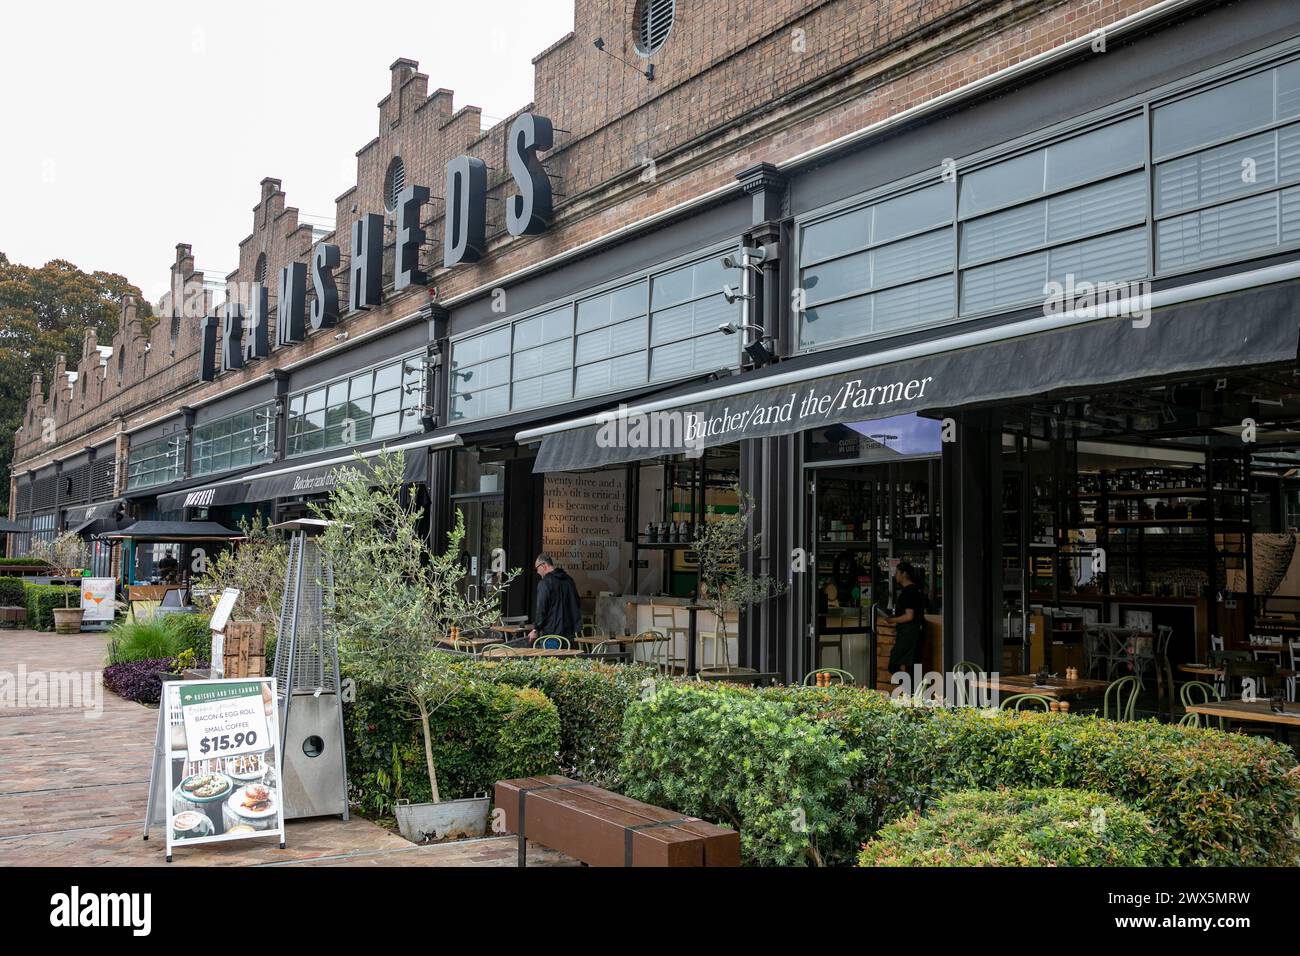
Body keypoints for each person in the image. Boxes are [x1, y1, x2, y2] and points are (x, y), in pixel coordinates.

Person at [884, 561, 928, 675]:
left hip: (909, 636)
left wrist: (892, 620)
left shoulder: (909, 592)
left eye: (897, 572)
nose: (895, 575)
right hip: (915, 634)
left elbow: (909, 616)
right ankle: (913, 691)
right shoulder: (915, 590)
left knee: (894, 666)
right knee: (913, 668)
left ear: (904, 574)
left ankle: (909, 689)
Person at [528, 553, 581, 643]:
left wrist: (535, 629)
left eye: (537, 568)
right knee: (566, 657)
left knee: (550, 657)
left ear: (544, 565)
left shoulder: (544, 583)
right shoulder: (569, 580)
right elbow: (576, 603)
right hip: (569, 633)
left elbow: (542, 608)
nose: (537, 572)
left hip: (551, 633)